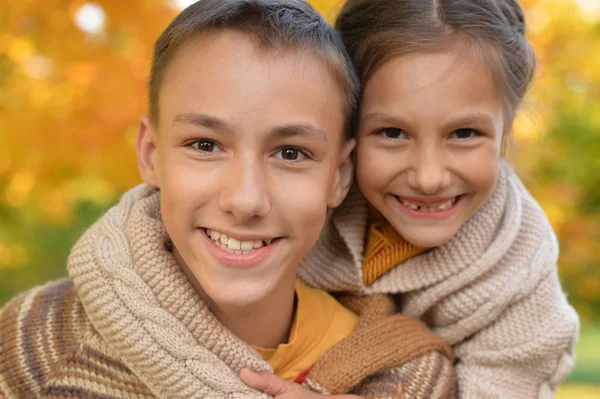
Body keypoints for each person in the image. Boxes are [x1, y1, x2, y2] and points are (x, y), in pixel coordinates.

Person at [0, 1, 455, 398]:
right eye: (205, 145)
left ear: (339, 177)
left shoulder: (408, 379)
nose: (245, 199)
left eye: (291, 153)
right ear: (151, 155)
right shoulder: (40, 341)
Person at [298, 0, 580, 397]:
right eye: (393, 133)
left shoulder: (519, 268)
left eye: (464, 133)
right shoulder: (296, 199)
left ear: (508, 125)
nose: (429, 178)